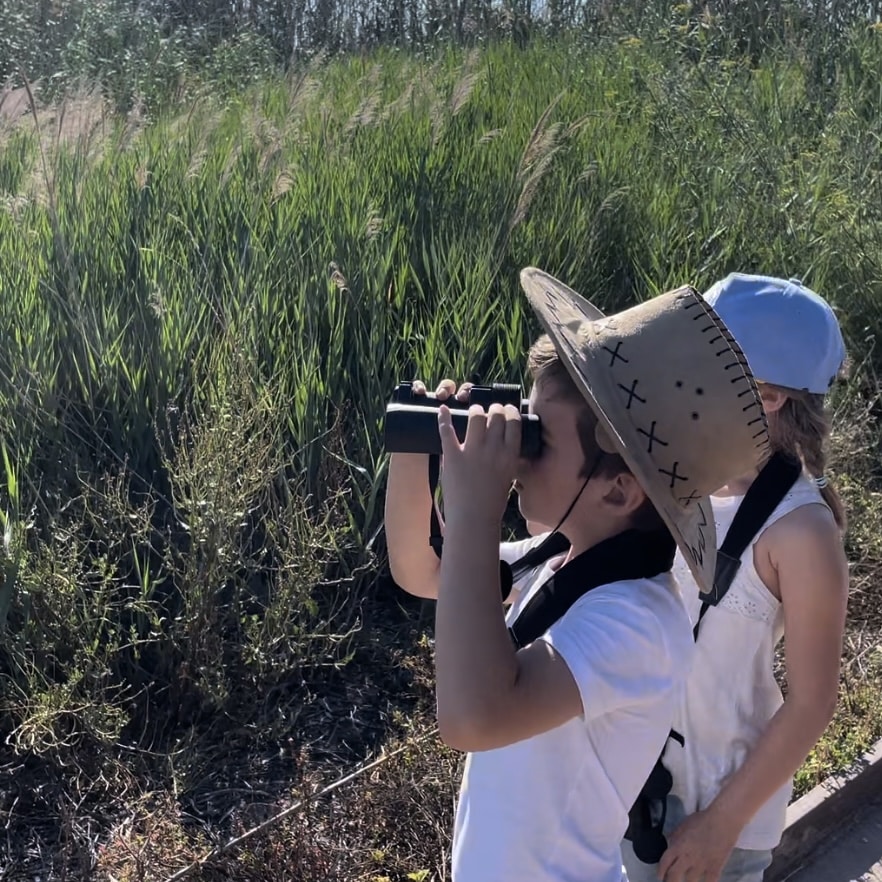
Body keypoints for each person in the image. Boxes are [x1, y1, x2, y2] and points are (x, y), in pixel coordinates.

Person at [384, 267, 772, 882]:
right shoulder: (555, 559)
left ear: (619, 493)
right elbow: (421, 565)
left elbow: (473, 718)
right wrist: (420, 441)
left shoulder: (638, 620)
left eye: (539, 440)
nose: (517, 454)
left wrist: (477, 511)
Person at [620, 273, 850, 882]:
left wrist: (721, 824)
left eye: (706, 361)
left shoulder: (801, 532)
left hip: (710, 825)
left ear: (768, 396)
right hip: (628, 796)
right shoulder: (681, 474)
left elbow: (812, 702)